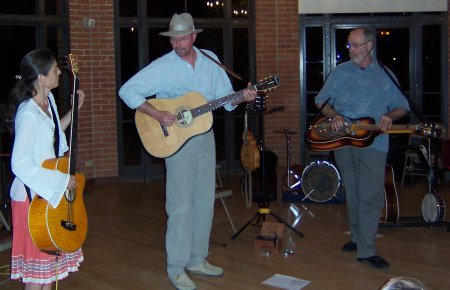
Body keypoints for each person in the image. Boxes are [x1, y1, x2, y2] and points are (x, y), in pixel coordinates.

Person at [118, 13, 256, 290]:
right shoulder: (162, 66)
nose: (178, 44)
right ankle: (176, 267)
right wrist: (157, 114)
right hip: (175, 142)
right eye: (174, 39)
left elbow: (226, 102)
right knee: (180, 207)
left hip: (205, 137)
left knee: (205, 202)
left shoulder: (210, 60)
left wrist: (242, 97)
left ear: (194, 36)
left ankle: (197, 259)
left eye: (183, 38)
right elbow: (127, 91)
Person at [315, 27, 410, 269]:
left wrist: (389, 115)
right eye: (349, 45)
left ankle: (367, 249)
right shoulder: (340, 72)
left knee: (371, 195)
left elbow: (402, 107)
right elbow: (321, 101)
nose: (351, 49)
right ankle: (356, 238)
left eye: (355, 45)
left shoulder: (385, 76)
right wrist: (334, 115)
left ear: (369, 46)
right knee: (354, 191)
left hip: (374, 143)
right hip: (342, 141)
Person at [9, 48, 85, 289]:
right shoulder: (28, 113)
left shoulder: (48, 101)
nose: (59, 72)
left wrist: (75, 111)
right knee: (36, 277)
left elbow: (53, 134)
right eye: (54, 69)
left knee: (47, 273)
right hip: (32, 198)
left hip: (48, 194)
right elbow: (19, 163)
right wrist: (60, 182)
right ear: (41, 77)